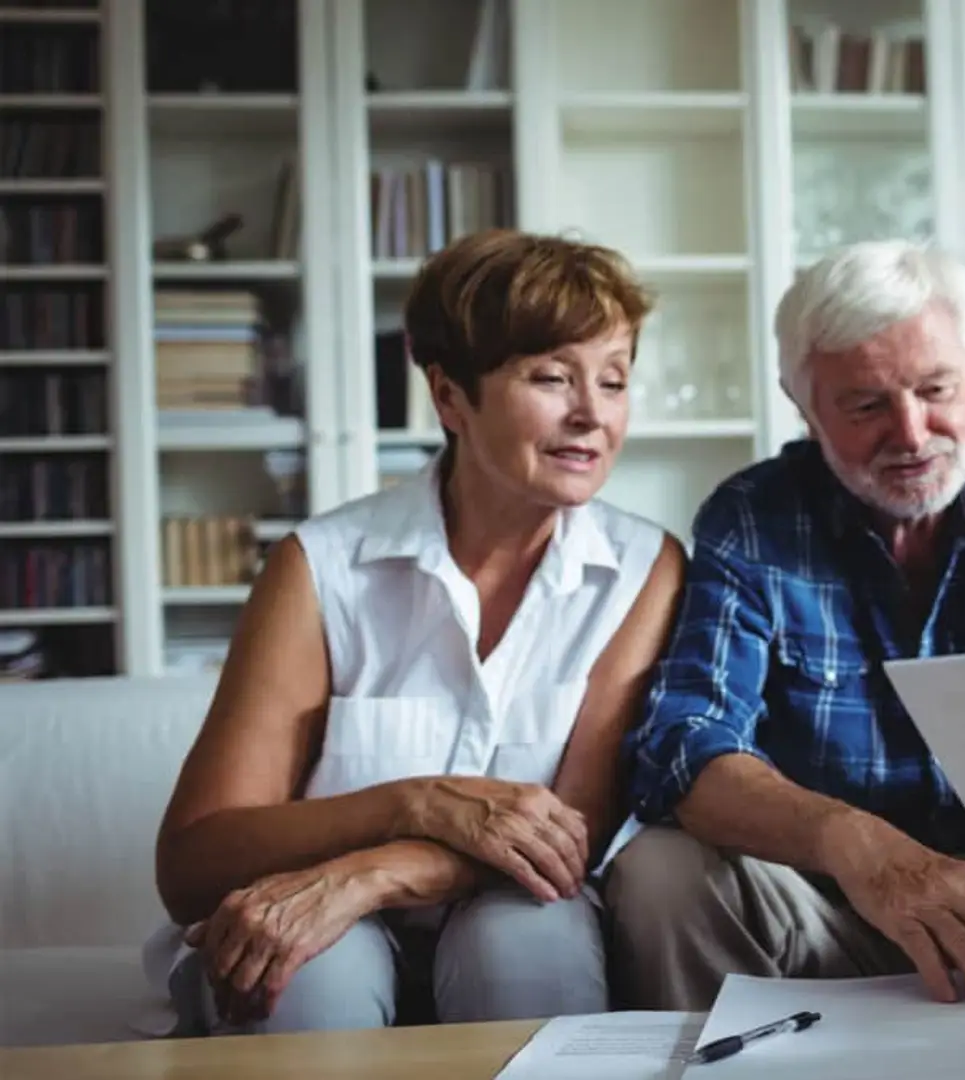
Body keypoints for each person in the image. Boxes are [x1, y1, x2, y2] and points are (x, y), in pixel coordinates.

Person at [145, 229, 686, 1035]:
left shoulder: (645, 569)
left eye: (613, 380)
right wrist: (417, 804)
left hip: (513, 910)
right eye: (552, 377)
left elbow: (570, 838)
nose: (591, 414)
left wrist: (370, 875)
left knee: (526, 939)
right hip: (317, 925)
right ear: (449, 398)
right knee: (309, 979)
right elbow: (193, 864)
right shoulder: (320, 566)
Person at [602, 239, 965, 1014]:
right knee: (660, 872)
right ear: (804, 408)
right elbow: (685, 747)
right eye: (866, 406)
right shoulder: (754, 518)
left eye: (937, 389)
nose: (912, 433)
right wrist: (854, 844)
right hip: (829, 914)